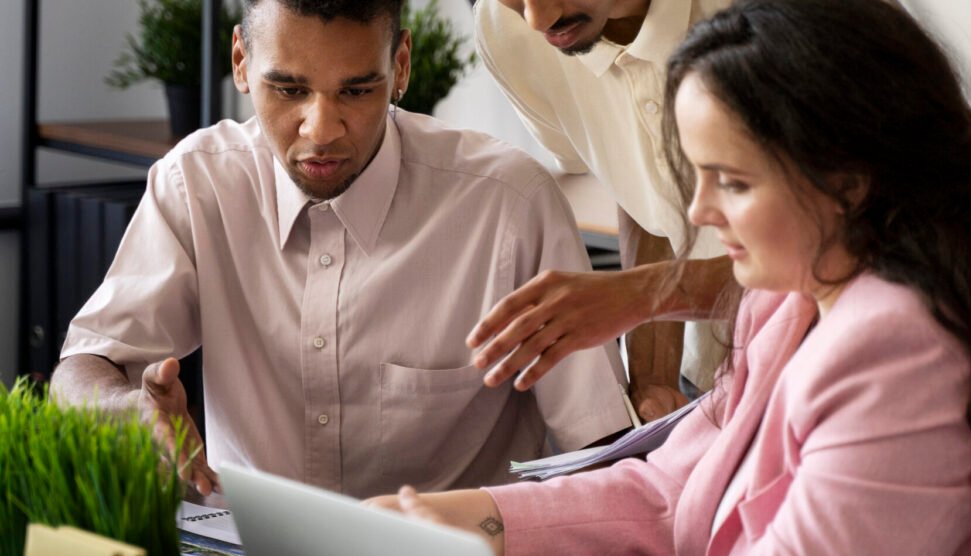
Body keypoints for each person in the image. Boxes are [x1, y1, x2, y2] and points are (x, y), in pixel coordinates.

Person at [369, 0, 971, 556]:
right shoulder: (783, 303)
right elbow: (675, 491)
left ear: (848, 179)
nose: (695, 213)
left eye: (732, 181)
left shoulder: (897, 353)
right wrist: (465, 521)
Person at [49, 0, 631, 499]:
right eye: (289, 89)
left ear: (400, 65)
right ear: (241, 63)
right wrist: (121, 409)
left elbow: (601, 451)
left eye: (356, 90)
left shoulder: (510, 205)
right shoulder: (195, 184)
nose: (321, 130)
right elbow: (85, 366)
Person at [471, 0, 735, 421]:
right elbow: (643, 180)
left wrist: (642, 296)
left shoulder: (781, 16)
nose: (537, 19)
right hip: (710, 381)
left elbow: (849, 257)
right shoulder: (508, 30)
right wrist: (653, 379)